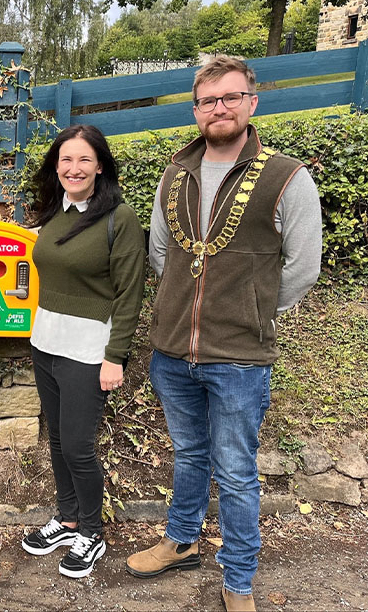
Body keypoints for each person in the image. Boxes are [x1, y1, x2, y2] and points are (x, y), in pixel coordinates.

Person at [125, 56, 322, 611]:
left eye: (231, 97)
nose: (219, 108)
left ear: (251, 102)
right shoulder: (175, 172)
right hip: (171, 352)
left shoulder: (287, 177)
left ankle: (238, 583)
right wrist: (179, 311)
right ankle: (182, 541)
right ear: (196, 110)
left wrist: (252, 310)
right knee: (188, 455)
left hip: (239, 356)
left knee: (236, 474)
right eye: (209, 101)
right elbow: (161, 251)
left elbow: (303, 266)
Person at [21, 124, 146, 578]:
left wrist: (116, 356)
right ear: (57, 166)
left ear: (100, 167)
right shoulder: (55, 212)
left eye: (84, 160)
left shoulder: (120, 218)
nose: (74, 168)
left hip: (89, 350)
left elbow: (130, 293)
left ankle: (91, 531)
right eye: (67, 160)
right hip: (46, 341)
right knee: (56, 440)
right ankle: (68, 518)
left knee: (77, 445)